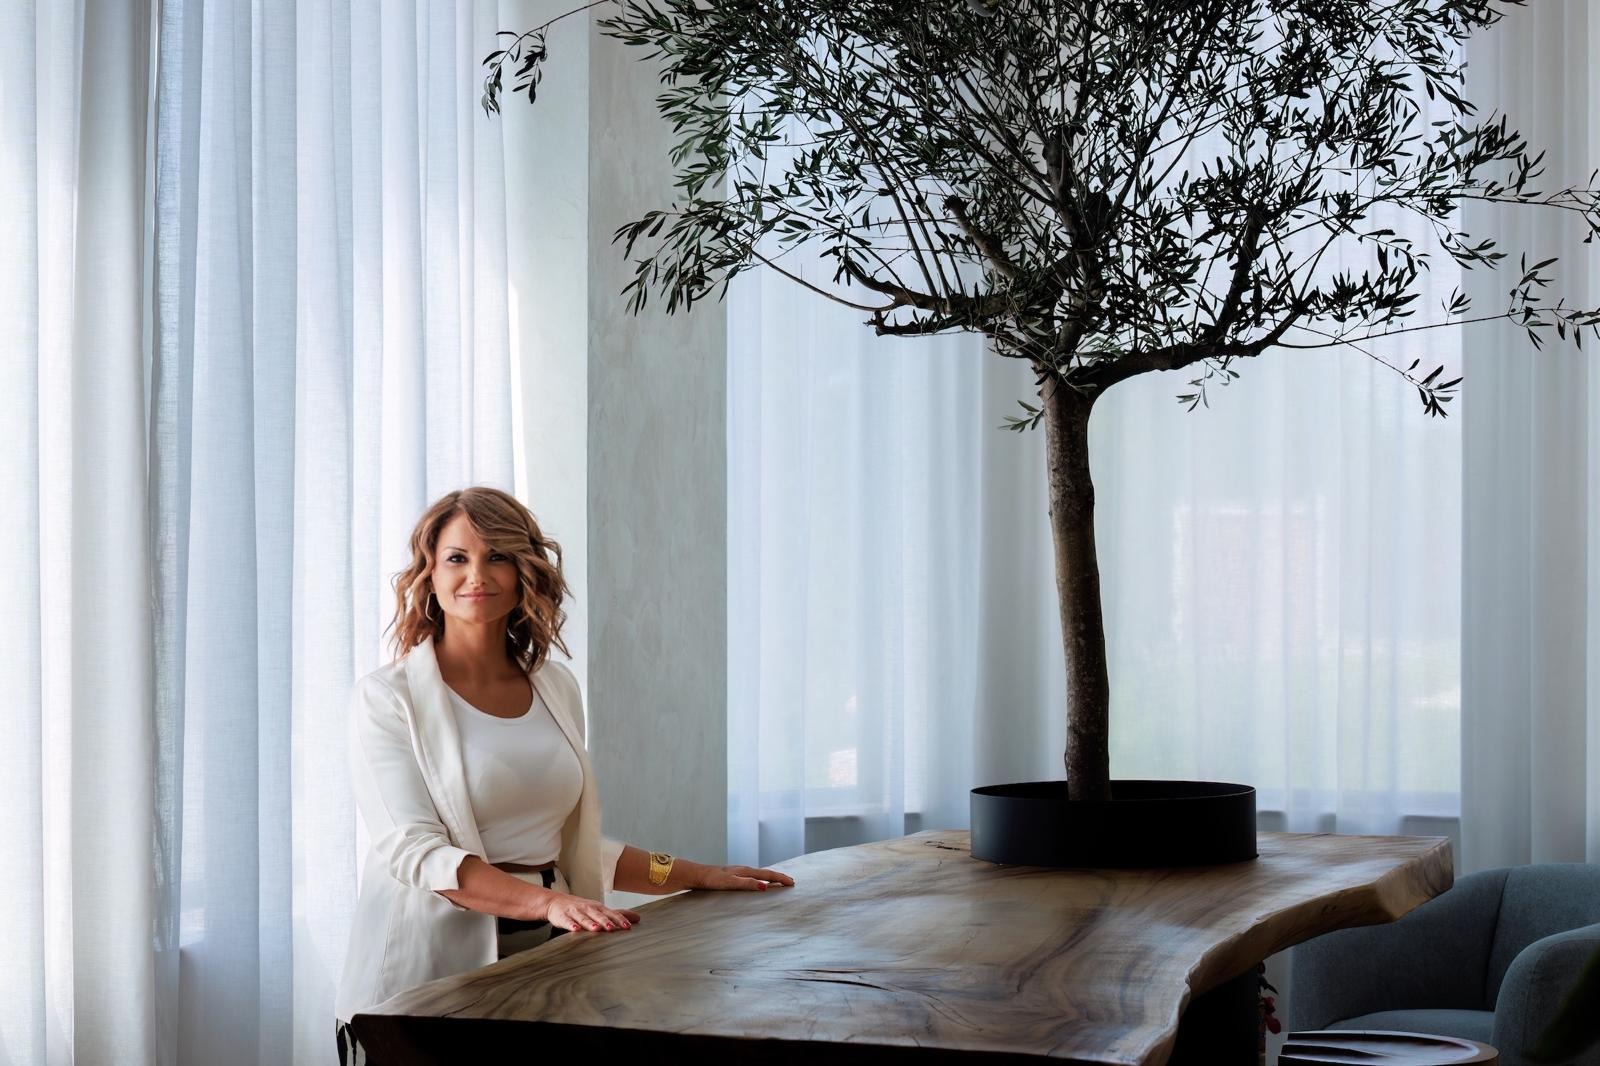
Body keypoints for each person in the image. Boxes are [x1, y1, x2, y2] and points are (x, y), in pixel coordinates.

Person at [333, 487, 793, 1063]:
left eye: (497, 555)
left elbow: (570, 846)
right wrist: (548, 904)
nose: (477, 574)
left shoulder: (554, 685)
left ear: (525, 569)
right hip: (428, 973)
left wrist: (700, 874)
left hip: (548, 959)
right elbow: (413, 850)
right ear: (429, 573)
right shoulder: (386, 698)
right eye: (457, 557)